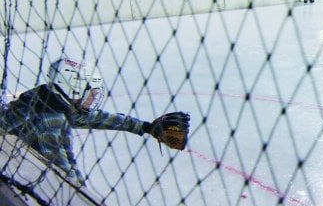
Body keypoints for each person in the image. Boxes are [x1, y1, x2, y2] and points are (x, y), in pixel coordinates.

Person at [0, 57, 190, 186]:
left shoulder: (43, 99)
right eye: (91, 93)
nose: (92, 99)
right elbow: (67, 181)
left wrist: (144, 126)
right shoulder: (51, 122)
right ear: (73, 88)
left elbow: (93, 118)